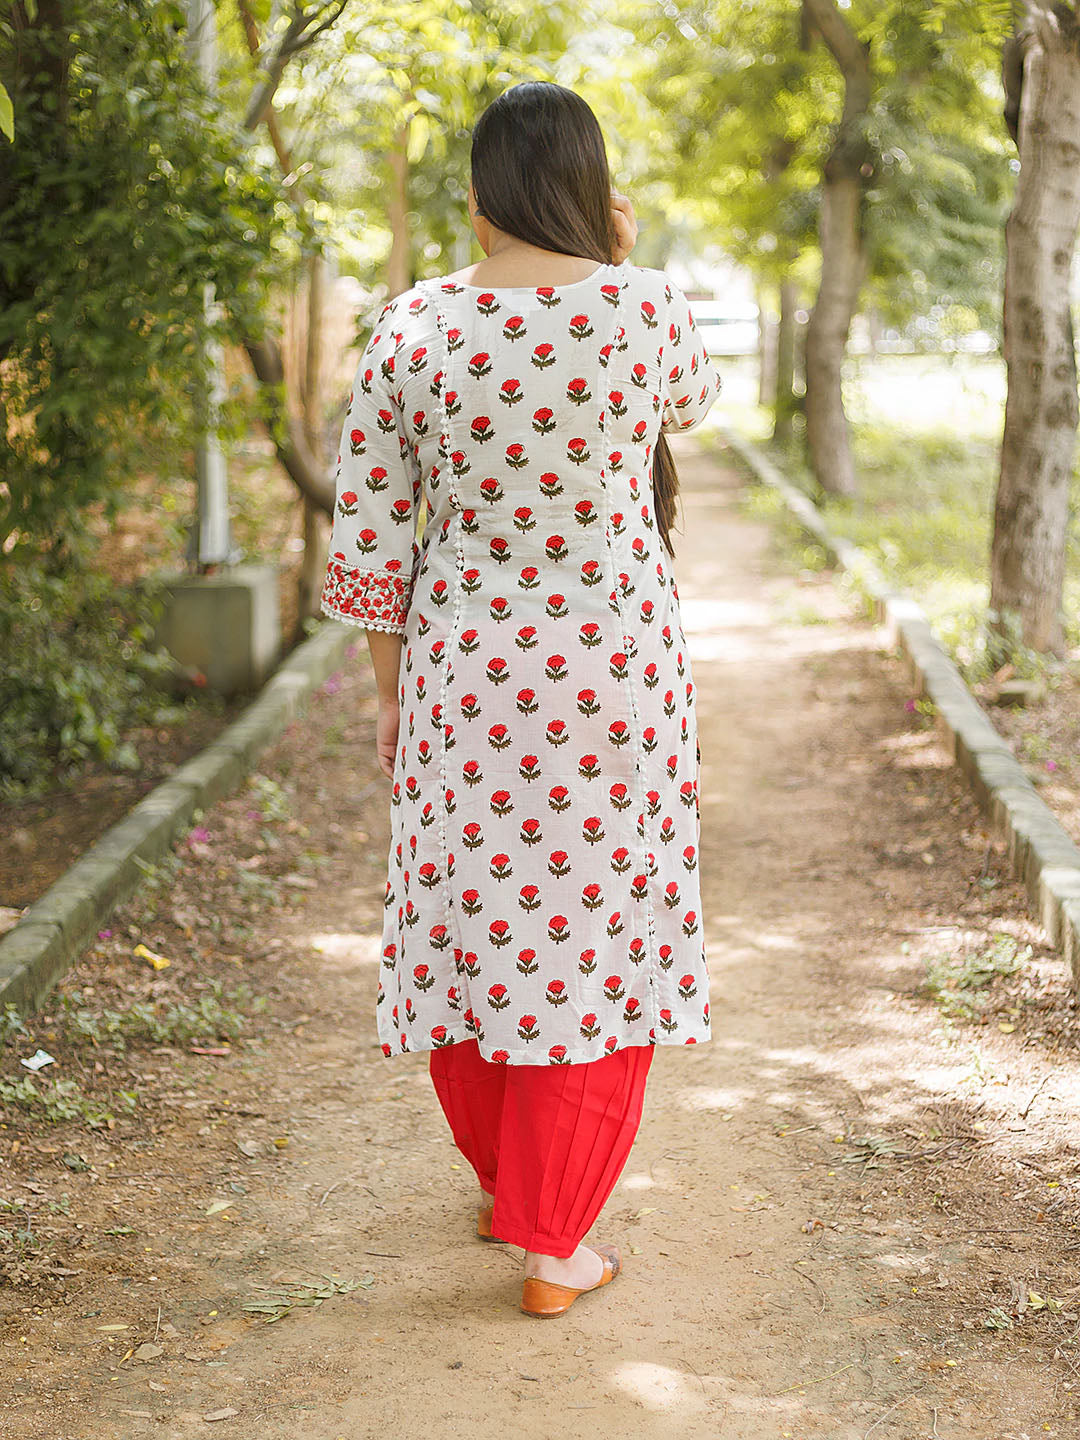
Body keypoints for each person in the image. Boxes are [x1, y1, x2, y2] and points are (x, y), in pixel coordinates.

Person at [321, 79, 722, 1317]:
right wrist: (620, 257)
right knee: (595, 923)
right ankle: (558, 1240)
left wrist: (394, 704)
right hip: (614, 668)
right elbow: (695, 408)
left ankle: (515, 1187)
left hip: (468, 673)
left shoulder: (412, 327)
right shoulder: (644, 309)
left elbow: (373, 548)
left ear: (480, 192)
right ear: (593, 187)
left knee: (475, 911)